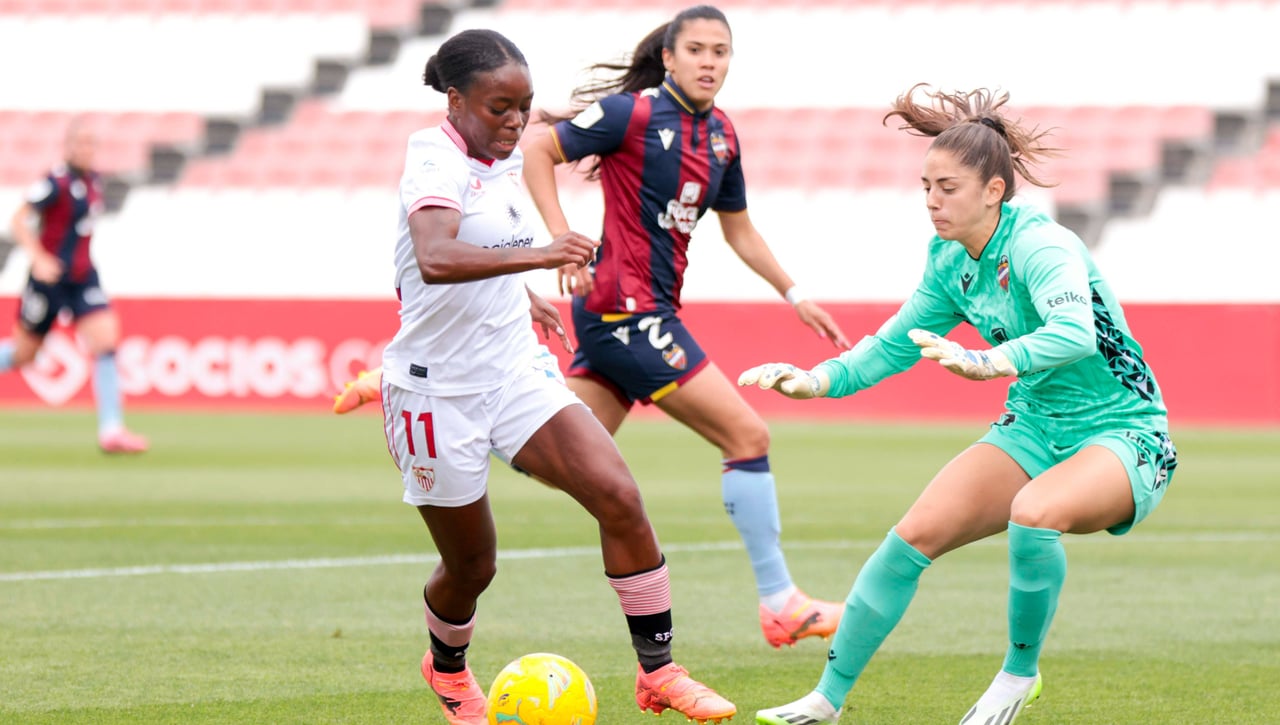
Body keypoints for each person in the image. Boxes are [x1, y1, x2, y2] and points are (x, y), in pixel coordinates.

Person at [744, 85, 1178, 725]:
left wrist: (993, 362)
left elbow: (1075, 333)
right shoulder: (949, 258)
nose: (931, 201)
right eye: (925, 186)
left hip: (1124, 431)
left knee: (1034, 513)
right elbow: (893, 345)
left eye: (946, 187)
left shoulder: (1040, 246)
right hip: (1033, 424)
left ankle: (1017, 677)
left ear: (994, 192)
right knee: (908, 540)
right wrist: (816, 380)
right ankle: (825, 700)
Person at [383, 28, 735, 725]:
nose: (515, 121)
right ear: (455, 102)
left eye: (523, 106)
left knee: (618, 494)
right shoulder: (432, 156)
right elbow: (436, 257)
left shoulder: (503, 154)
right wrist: (542, 256)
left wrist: (523, 296)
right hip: (434, 391)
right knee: (473, 567)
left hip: (513, 372)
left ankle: (660, 671)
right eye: (499, 107)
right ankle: (447, 668)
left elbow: (489, 245)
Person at [518, 3, 854, 650]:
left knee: (560, 460)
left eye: (719, 51)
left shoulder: (722, 136)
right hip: (625, 312)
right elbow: (538, 149)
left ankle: (456, 407)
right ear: (669, 57)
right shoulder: (633, 114)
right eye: (695, 49)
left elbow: (740, 230)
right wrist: (561, 236)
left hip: (641, 313)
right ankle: (781, 601)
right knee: (748, 434)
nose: (708, 61)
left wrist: (795, 293)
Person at [1, 120, 148, 454]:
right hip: (49, 281)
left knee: (107, 340)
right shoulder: (56, 181)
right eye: (80, 143)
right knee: (24, 355)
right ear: (68, 147)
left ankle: (111, 430)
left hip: (82, 278)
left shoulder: (93, 181)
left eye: (90, 144)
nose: (86, 149)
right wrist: (38, 257)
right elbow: (18, 218)